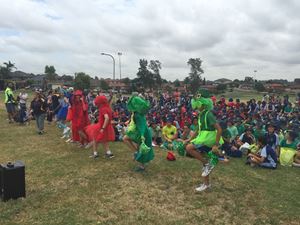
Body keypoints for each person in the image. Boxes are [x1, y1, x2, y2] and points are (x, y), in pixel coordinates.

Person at [185, 90, 223, 192]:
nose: (197, 106)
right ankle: (206, 184)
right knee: (203, 159)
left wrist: (216, 144)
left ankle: (207, 164)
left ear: (204, 103)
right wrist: (189, 139)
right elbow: (198, 130)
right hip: (203, 138)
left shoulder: (208, 114)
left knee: (189, 148)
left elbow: (219, 129)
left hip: (208, 139)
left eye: (199, 103)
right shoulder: (201, 114)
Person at [123, 94, 154, 171]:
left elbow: (142, 124)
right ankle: (137, 156)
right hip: (141, 131)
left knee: (137, 145)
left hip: (142, 132)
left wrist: (142, 135)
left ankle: (141, 164)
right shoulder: (139, 112)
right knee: (135, 144)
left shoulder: (137, 114)